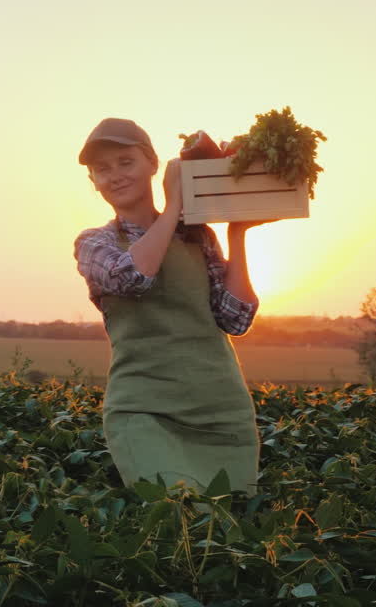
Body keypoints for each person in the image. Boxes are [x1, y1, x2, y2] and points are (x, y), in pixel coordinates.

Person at [73, 117, 263, 496]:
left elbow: (235, 317)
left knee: (228, 535)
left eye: (125, 163)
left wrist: (237, 232)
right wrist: (176, 203)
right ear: (93, 181)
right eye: (101, 170)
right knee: (173, 516)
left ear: (152, 164)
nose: (114, 176)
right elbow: (134, 277)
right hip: (145, 413)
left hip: (221, 412)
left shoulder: (199, 237)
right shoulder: (95, 244)